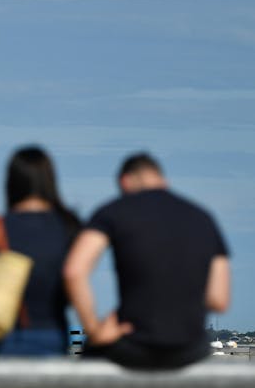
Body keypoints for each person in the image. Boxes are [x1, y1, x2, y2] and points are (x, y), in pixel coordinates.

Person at [63, 152, 230, 369]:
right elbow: (219, 299)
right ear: (162, 179)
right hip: (190, 348)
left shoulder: (112, 212)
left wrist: (94, 329)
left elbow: (74, 271)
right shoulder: (203, 218)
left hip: (134, 344)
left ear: (124, 181)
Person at [0, 145, 80, 358]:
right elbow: (74, 285)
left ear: (10, 182)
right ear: (50, 181)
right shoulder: (69, 228)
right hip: (51, 338)